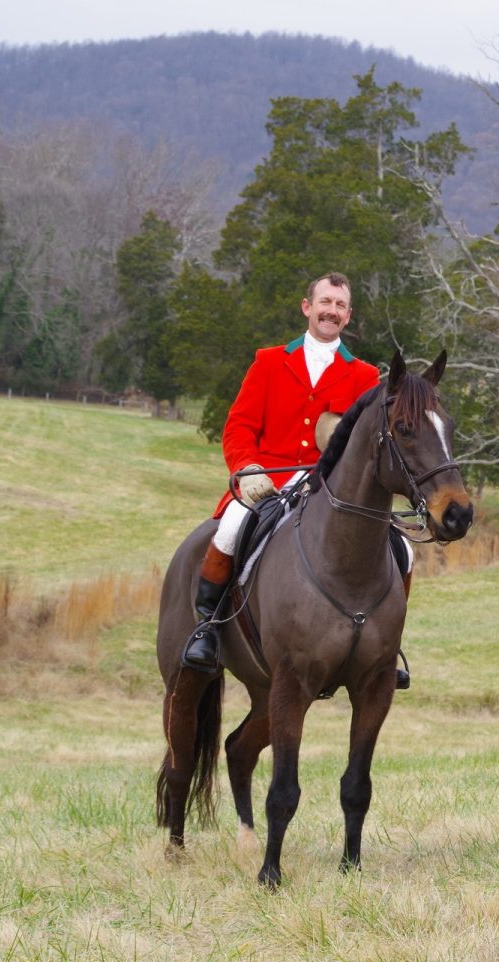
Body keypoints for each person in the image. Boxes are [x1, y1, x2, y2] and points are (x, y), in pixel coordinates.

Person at [180, 272, 414, 688]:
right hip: (266, 480)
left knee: (404, 551)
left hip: (328, 488)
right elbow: (238, 427)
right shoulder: (269, 361)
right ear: (308, 307)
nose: (332, 311)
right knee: (230, 531)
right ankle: (208, 629)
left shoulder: (363, 376)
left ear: (348, 316)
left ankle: (387, 645)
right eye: (325, 302)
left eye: (340, 306)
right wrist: (246, 468)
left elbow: (365, 446)